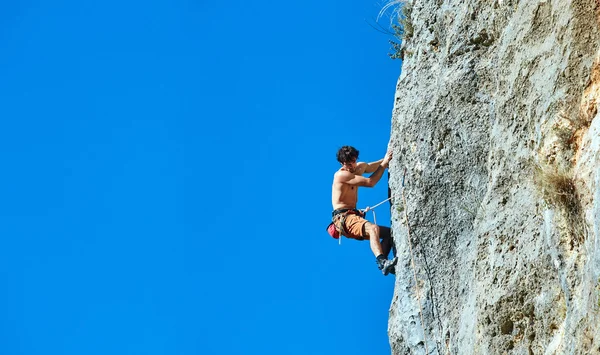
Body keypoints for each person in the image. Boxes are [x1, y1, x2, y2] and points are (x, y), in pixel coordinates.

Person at [331, 145, 398, 275]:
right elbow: (370, 182)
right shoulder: (341, 175)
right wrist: (384, 164)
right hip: (344, 219)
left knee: (390, 234)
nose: (352, 166)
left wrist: (387, 159)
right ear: (342, 163)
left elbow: (372, 166)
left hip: (353, 215)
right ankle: (382, 262)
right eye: (349, 164)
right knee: (373, 229)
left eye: (354, 161)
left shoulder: (358, 167)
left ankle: (386, 266)